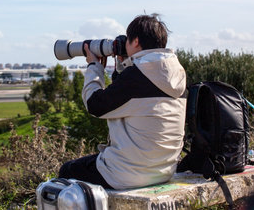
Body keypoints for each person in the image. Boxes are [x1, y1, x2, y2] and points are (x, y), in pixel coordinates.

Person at [58, 14, 187, 190]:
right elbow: (131, 99)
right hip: (164, 170)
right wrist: (122, 65)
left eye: (127, 40)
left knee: (67, 171)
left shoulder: (137, 77)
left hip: (128, 174)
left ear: (135, 41)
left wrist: (94, 67)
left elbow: (95, 105)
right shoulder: (176, 75)